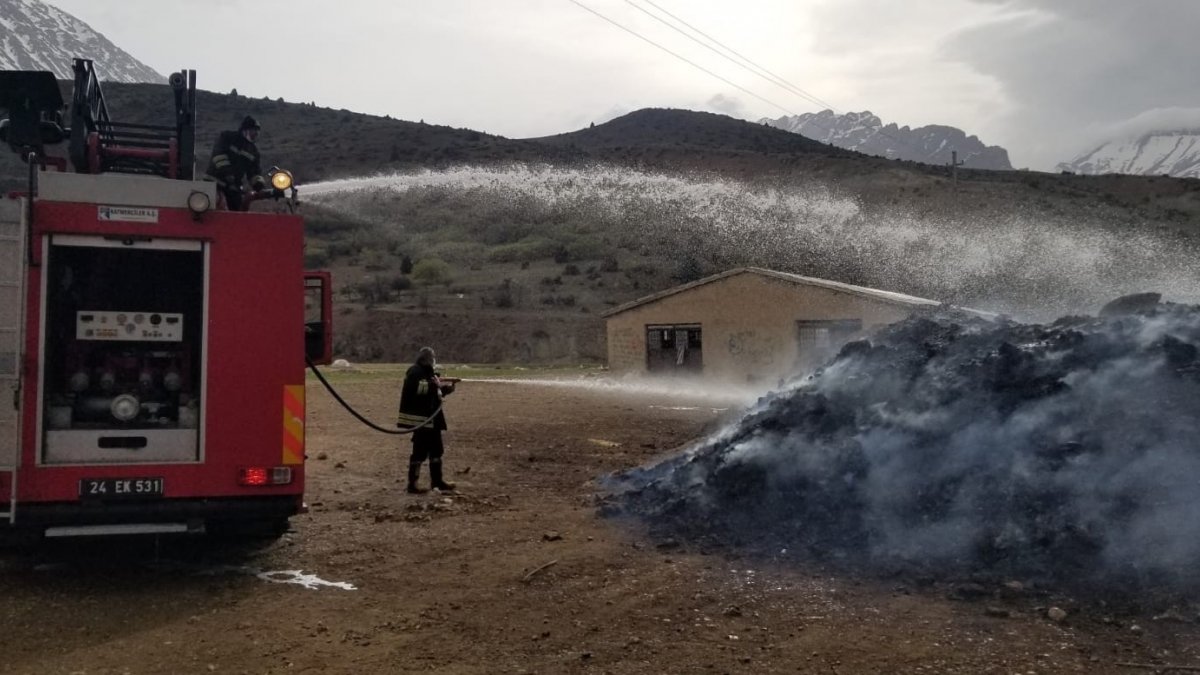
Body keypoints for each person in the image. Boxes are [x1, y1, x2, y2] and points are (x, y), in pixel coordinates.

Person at [396, 347, 457, 494]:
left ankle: (437, 481)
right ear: (427, 359)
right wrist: (435, 384)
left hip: (432, 420)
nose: (434, 360)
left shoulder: (426, 373)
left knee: (437, 450)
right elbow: (420, 389)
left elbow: (433, 392)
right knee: (419, 452)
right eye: (433, 357)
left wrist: (446, 389)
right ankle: (413, 484)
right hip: (422, 421)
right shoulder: (415, 372)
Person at [204, 115, 266, 211]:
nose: (256, 134)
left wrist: (258, 184)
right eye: (254, 130)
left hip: (233, 187)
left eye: (257, 131)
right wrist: (228, 173)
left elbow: (254, 172)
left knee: (237, 211)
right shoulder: (227, 137)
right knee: (207, 207)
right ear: (245, 130)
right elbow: (218, 155)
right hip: (213, 182)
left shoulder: (253, 151)